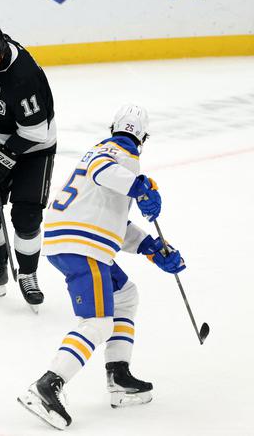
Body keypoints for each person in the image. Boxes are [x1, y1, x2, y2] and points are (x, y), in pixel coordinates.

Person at [18, 105, 186, 430]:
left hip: (77, 238)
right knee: (96, 322)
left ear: (113, 126)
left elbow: (111, 221)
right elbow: (102, 169)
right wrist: (140, 185)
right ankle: (47, 385)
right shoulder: (116, 154)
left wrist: (151, 247)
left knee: (125, 296)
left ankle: (119, 376)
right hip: (82, 246)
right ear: (144, 138)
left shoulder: (112, 160)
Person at [0, 21, 57, 306]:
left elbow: (35, 131)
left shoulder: (23, 77)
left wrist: (3, 159)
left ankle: (28, 274)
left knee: (26, 217)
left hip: (34, 150)